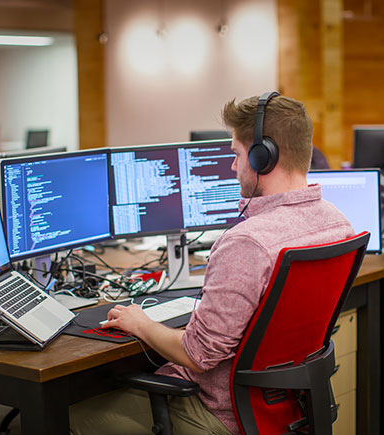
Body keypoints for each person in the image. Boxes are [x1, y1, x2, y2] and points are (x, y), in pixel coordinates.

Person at [70, 93, 354, 434]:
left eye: (236, 154)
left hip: (219, 411)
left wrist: (140, 322)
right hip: (286, 406)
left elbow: (197, 355)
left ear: (263, 157)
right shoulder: (337, 223)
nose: (233, 166)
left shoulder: (246, 243)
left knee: (67, 411)